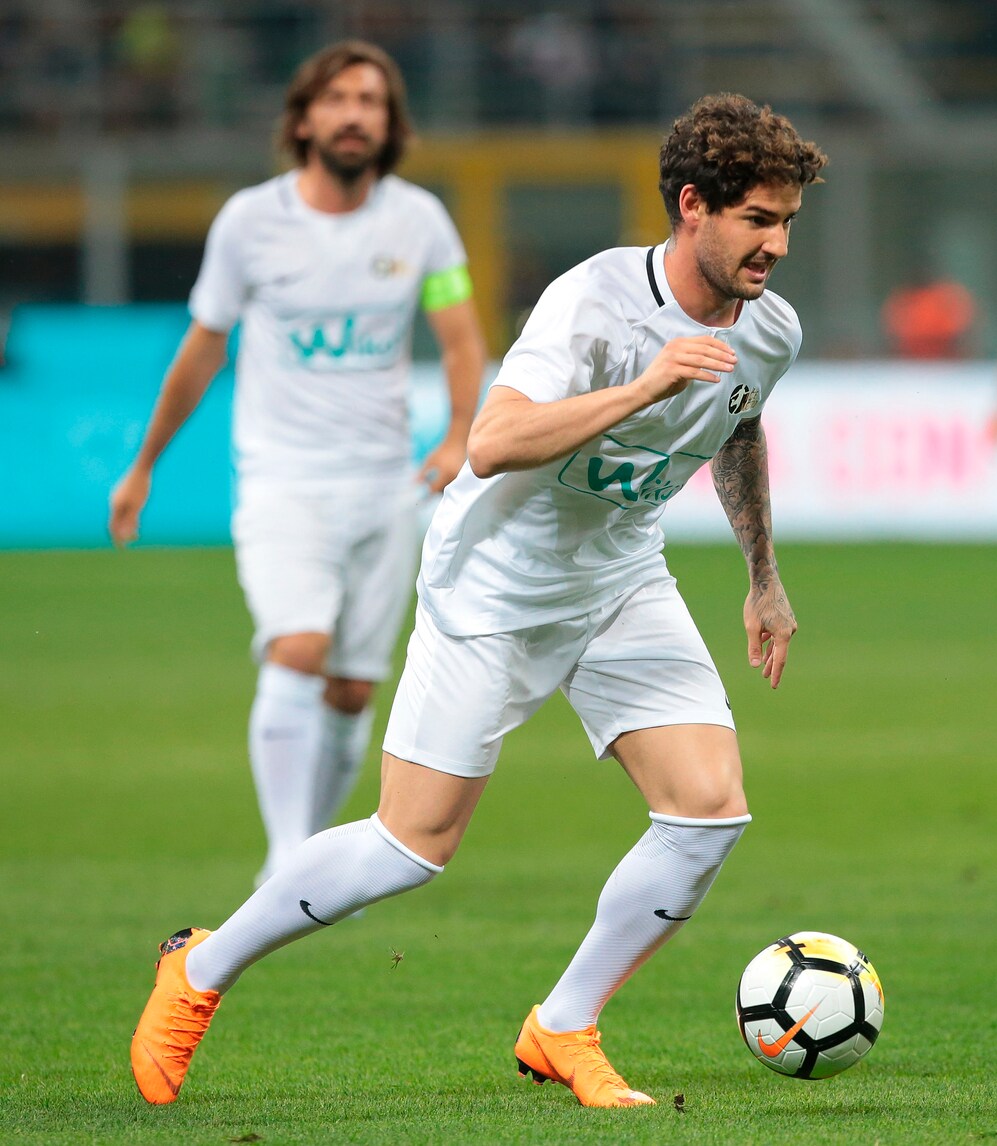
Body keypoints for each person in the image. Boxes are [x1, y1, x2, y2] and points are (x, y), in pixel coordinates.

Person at [130, 92, 827, 1110]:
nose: (777, 246)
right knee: (410, 846)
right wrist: (642, 387)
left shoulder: (772, 329)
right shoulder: (593, 302)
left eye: (788, 222)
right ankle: (198, 970)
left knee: (708, 813)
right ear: (692, 206)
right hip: (494, 583)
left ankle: (564, 1025)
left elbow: (737, 423)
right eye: (758, 220)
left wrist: (762, 575)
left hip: (619, 577)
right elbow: (493, 442)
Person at [109, 41, 486, 887]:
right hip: (283, 480)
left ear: (390, 124)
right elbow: (203, 348)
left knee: (352, 689)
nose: (355, 114)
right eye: (338, 98)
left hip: (386, 486)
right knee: (297, 647)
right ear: (304, 118)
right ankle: (286, 860)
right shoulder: (250, 222)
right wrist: (144, 465)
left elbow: (461, 337)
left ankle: (311, 860)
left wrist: (459, 432)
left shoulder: (418, 221)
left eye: (371, 101)